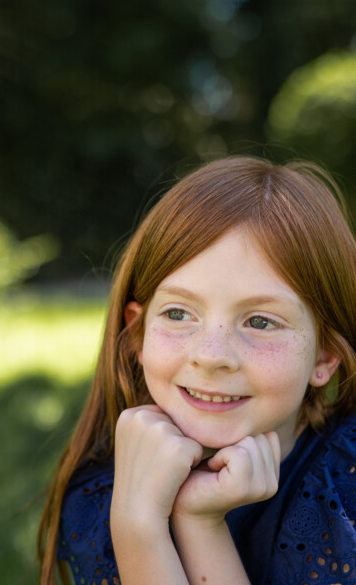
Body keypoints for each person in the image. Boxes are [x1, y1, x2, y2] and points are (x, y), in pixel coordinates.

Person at [38, 156, 356, 585]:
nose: (210, 355)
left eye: (260, 321)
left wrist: (201, 526)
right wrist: (139, 527)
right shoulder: (99, 499)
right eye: (178, 313)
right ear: (137, 336)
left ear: (324, 358)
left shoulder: (346, 490)